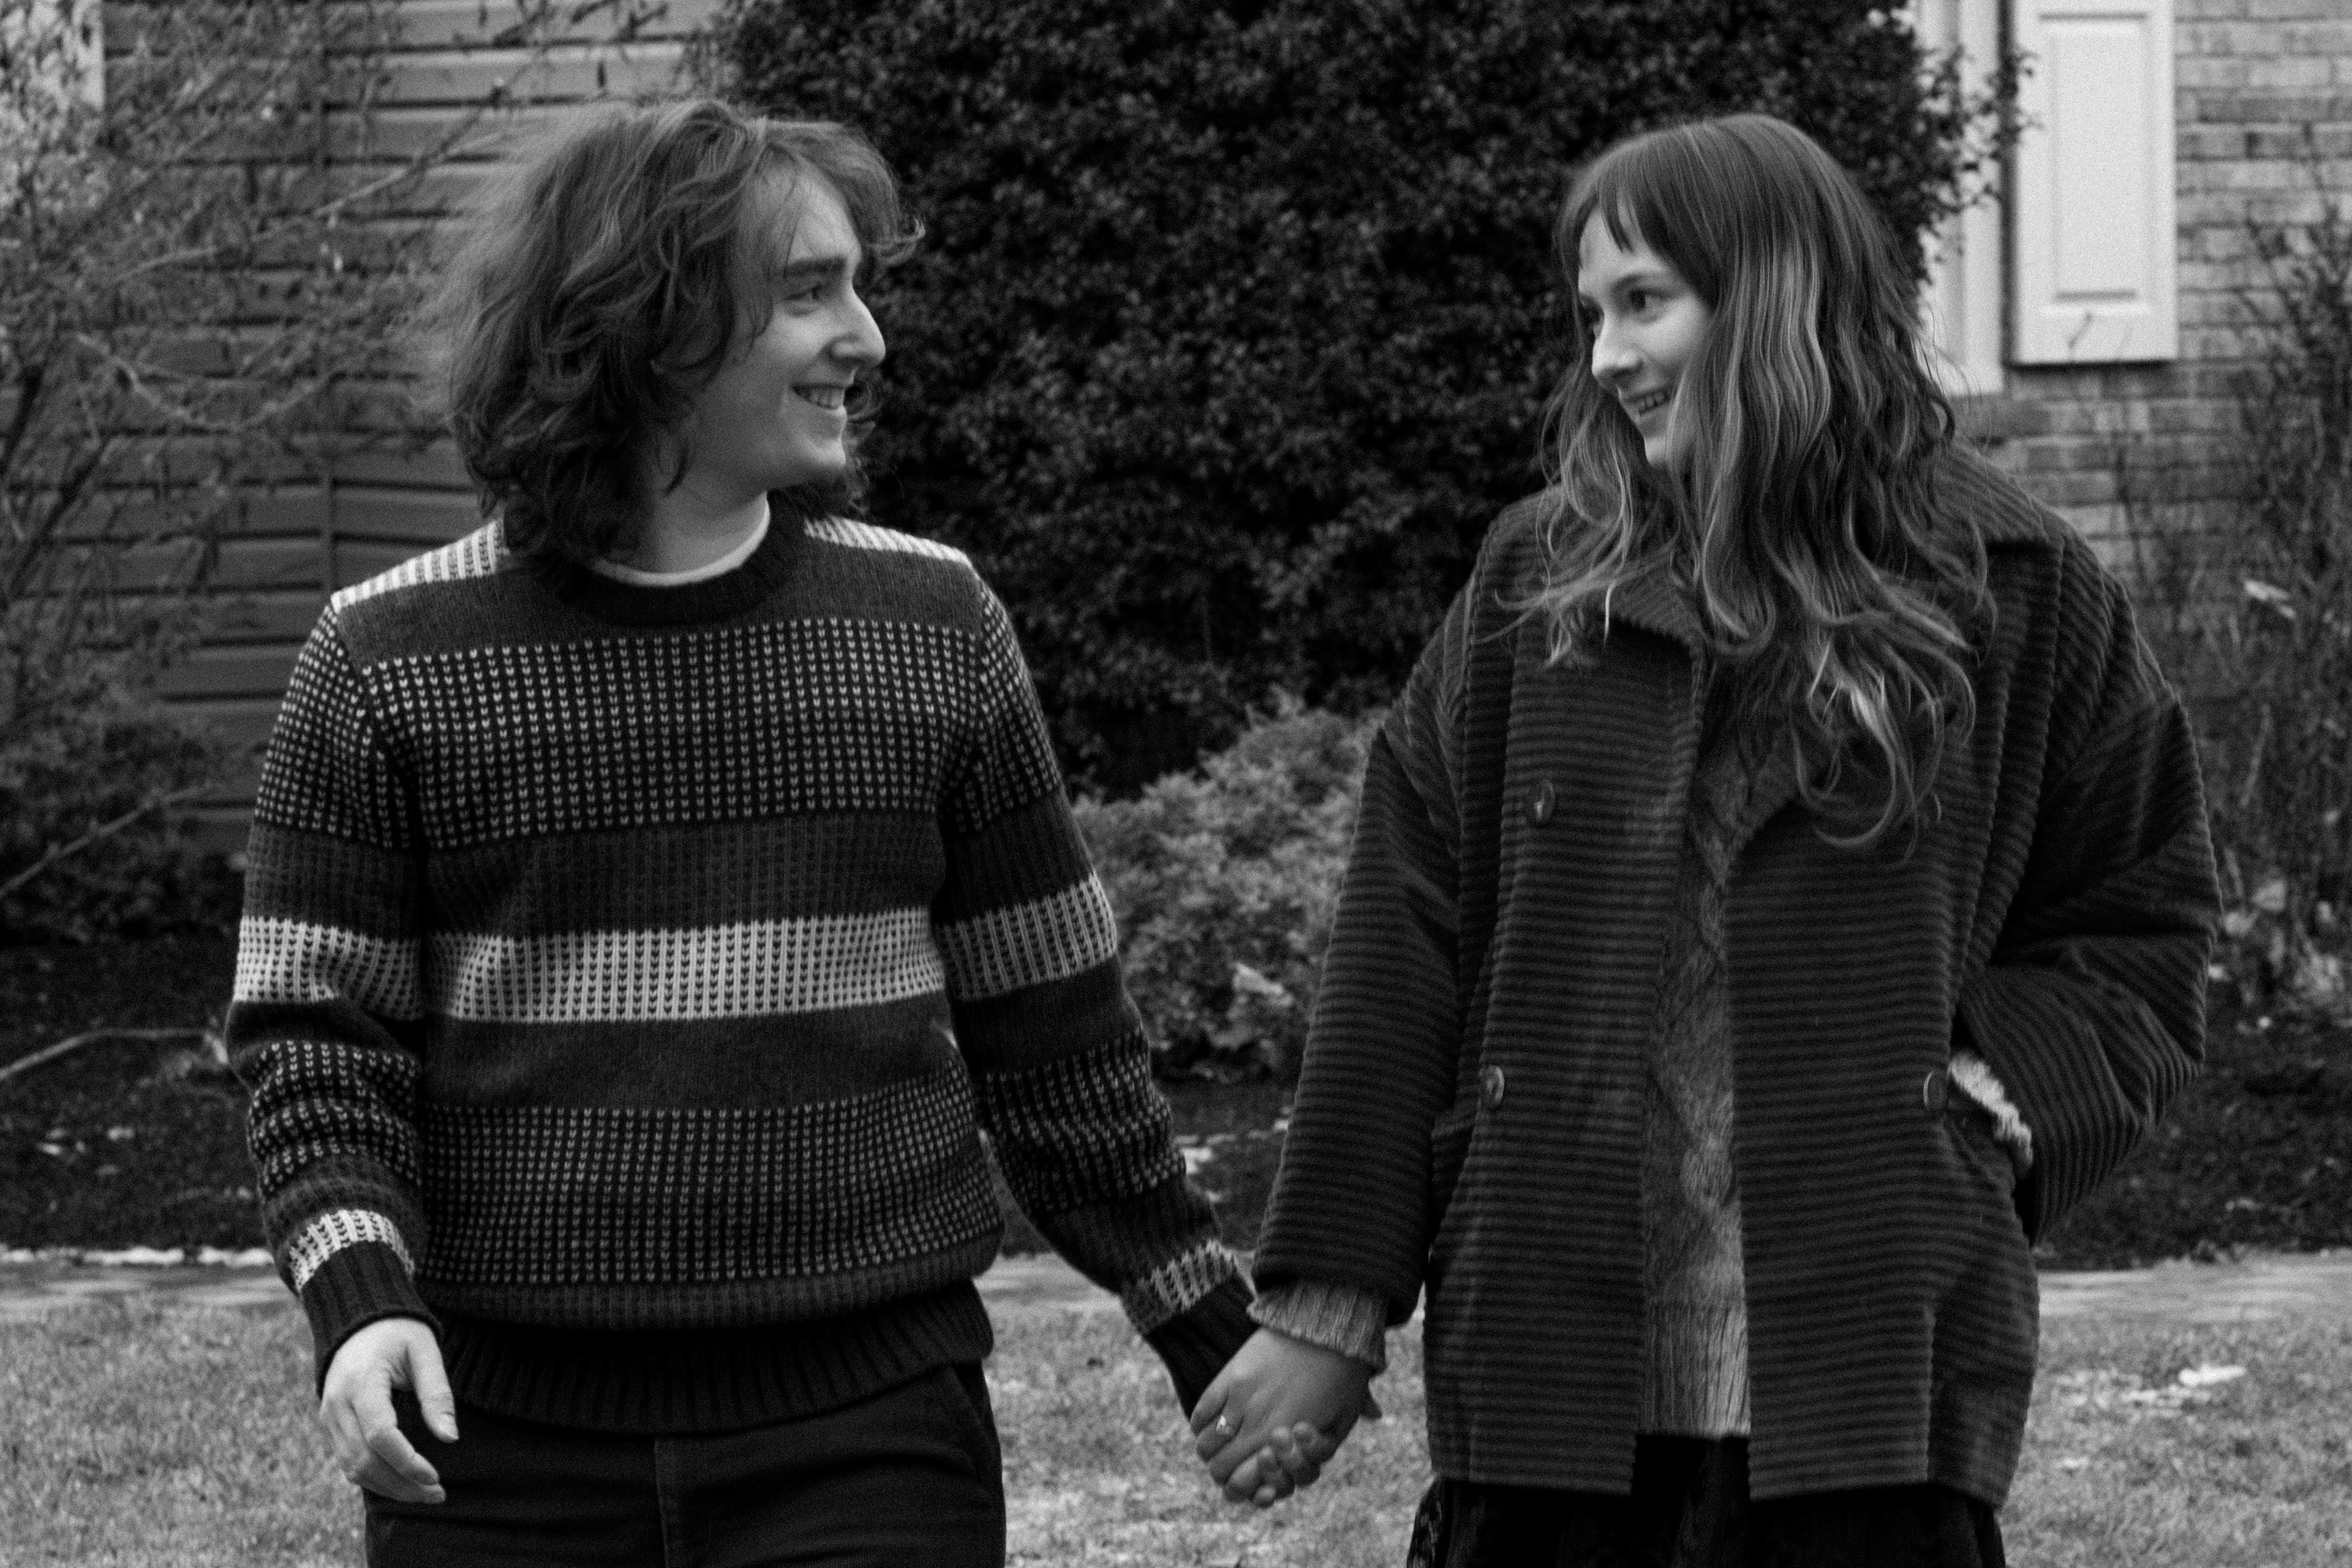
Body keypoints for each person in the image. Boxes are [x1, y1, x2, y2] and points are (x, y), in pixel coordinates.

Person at [225, 98, 1267, 1566]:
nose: (869, 339)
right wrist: (358, 1292)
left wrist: (1203, 1315)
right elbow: (316, 1040)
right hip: (498, 1451)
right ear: (648, 324)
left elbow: (1057, 1034)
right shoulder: (386, 654)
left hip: (870, 1439)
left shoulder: (931, 625)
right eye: (810, 292)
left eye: (859, 287)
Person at [1191, 113, 2218, 1565]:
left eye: (1645, 302)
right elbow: (1402, 941)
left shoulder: (2019, 589)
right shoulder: (1540, 587)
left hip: (1872, 1379)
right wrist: (1329, 1305)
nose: (1607, 356)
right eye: (1592, 314)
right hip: (1547, 1365)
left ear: (1772, 300)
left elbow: (2143, 916)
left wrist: (1990, 1095)